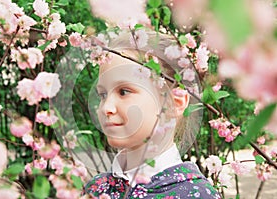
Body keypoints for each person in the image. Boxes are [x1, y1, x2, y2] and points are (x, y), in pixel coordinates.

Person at [83, 30, 221, 199]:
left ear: (175, 103)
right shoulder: (96, 189)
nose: (106, 108)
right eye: (103, 95)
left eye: (124, 91)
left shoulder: (197, 195)